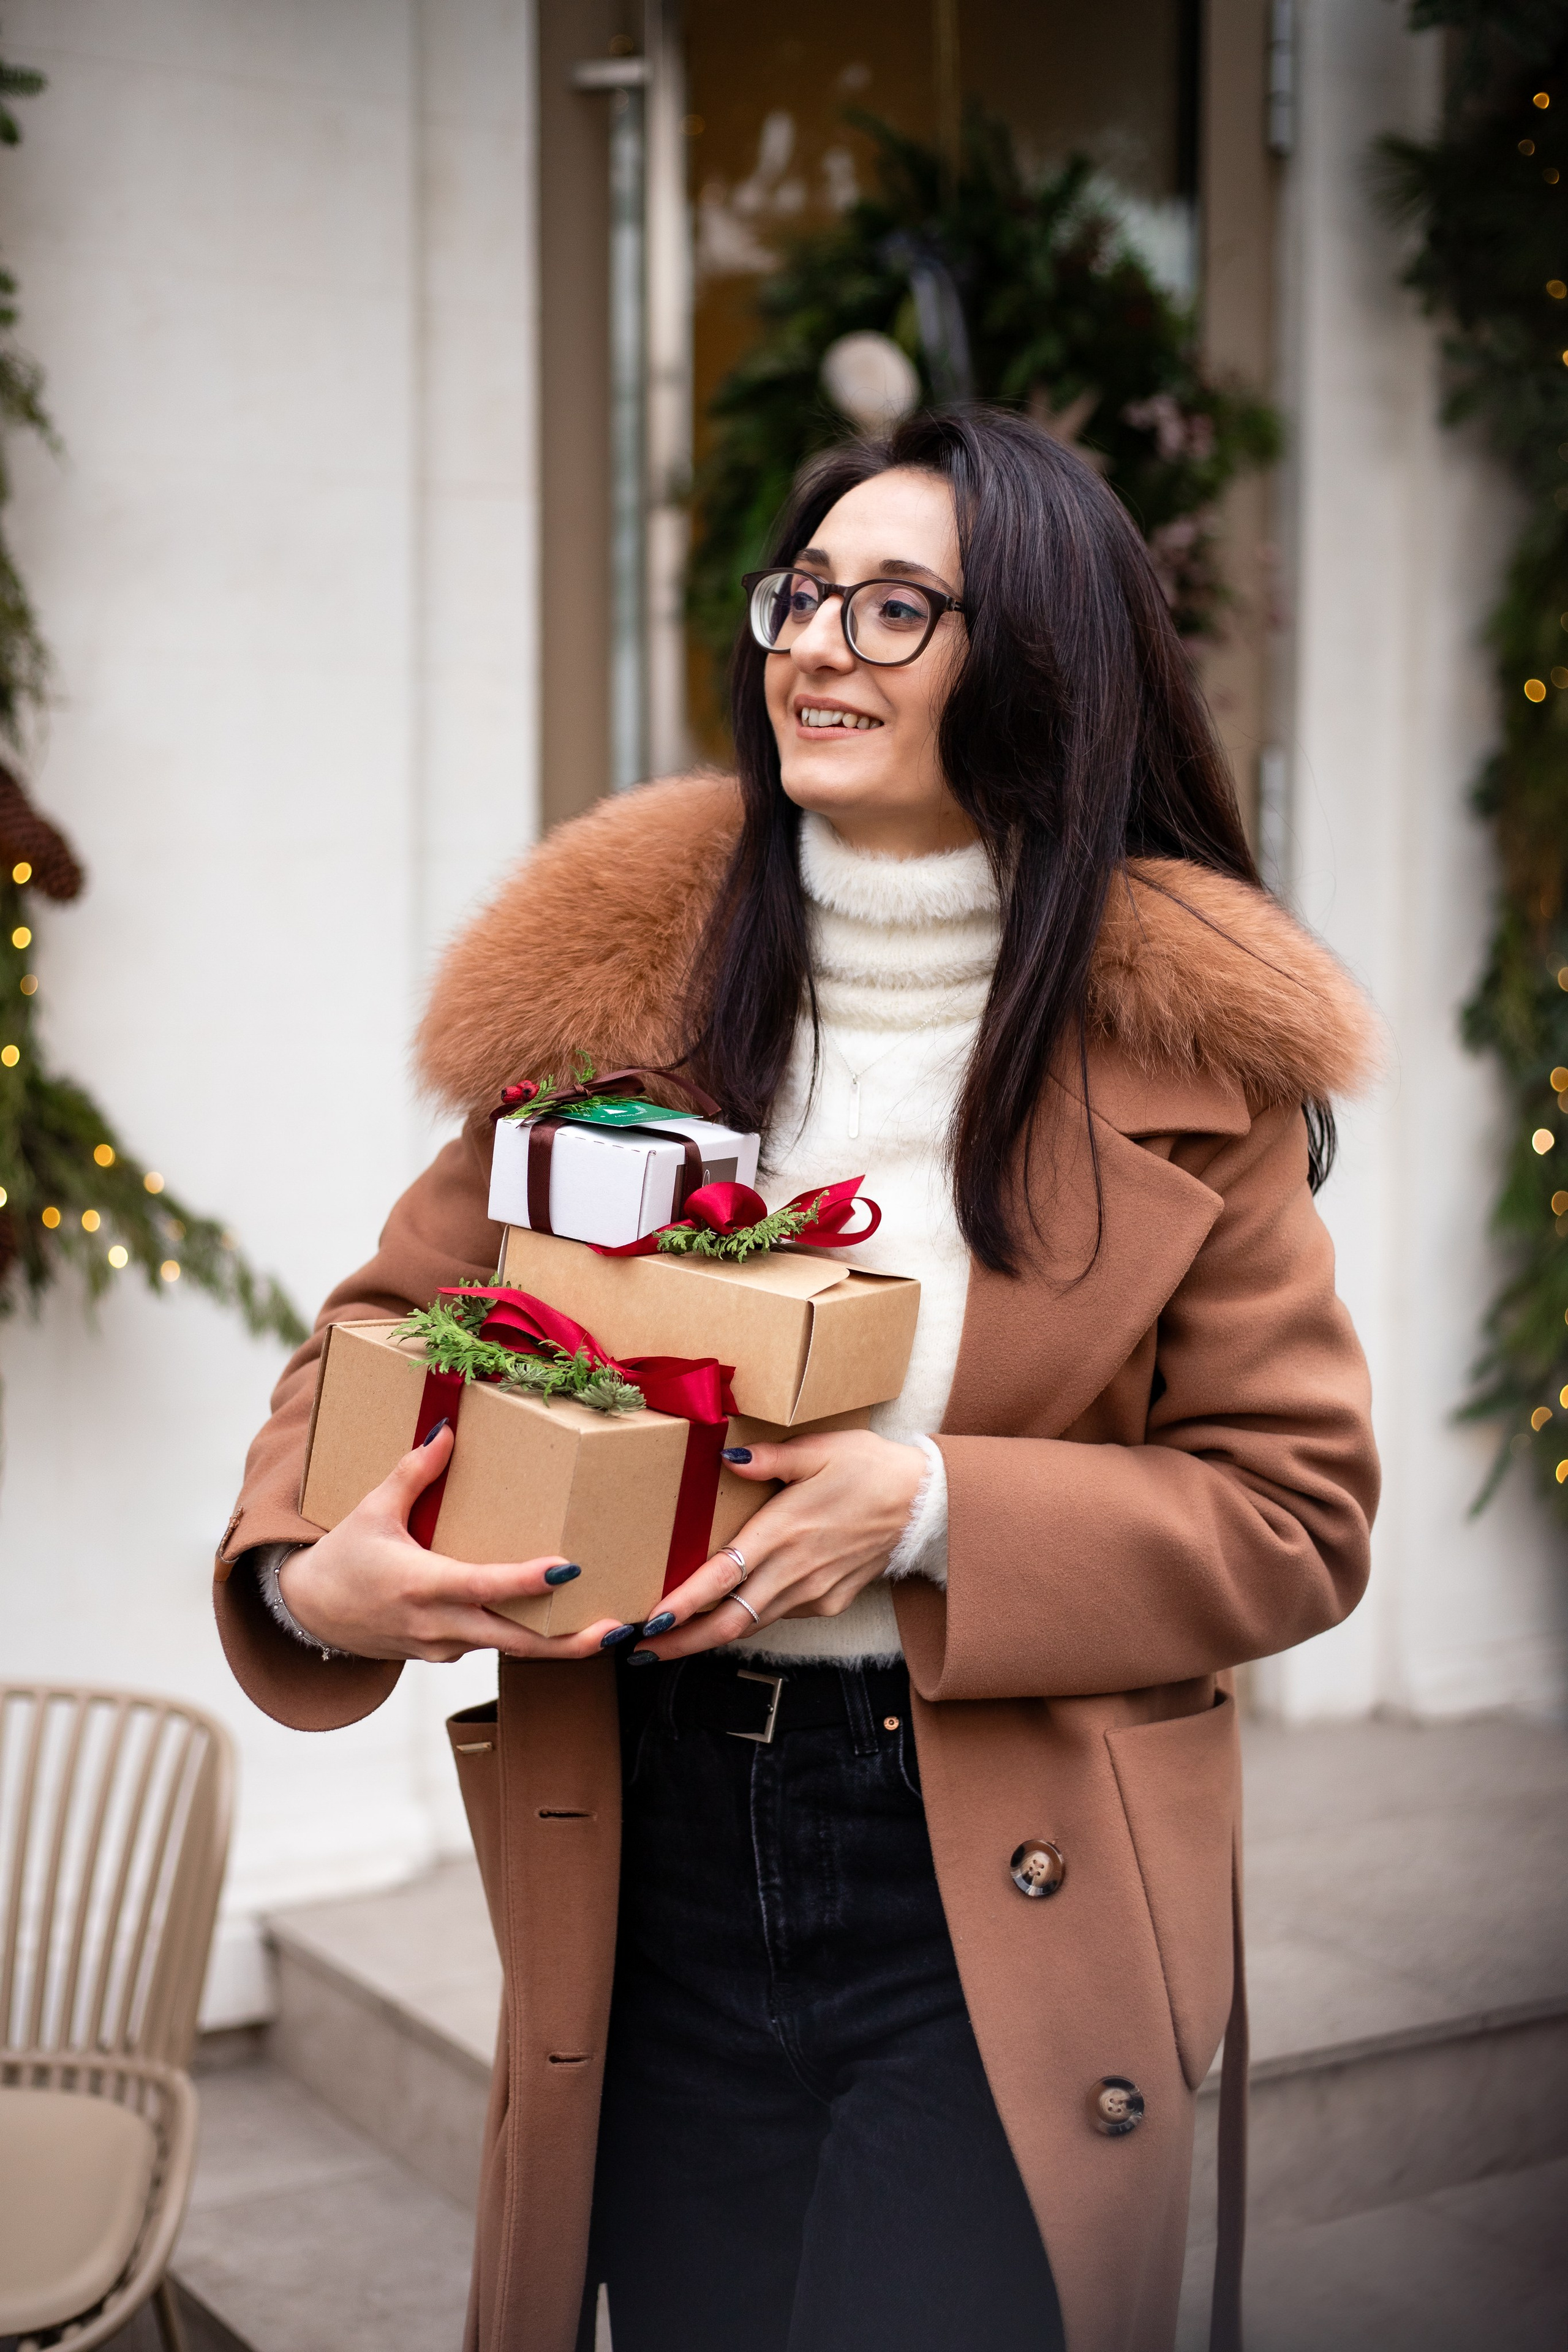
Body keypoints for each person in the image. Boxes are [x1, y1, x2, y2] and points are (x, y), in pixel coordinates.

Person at [216, 407, 1379, 2352]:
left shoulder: (1198, 1066)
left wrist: (931, 1511)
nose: (816, 646)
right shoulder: (619, 987)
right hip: (651, 1826)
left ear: (1039, 661)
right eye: (805, 592)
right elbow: (376, 1338)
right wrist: (302, 1575)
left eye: (896, 606)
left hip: (992, 1862)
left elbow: (1296, 1518)